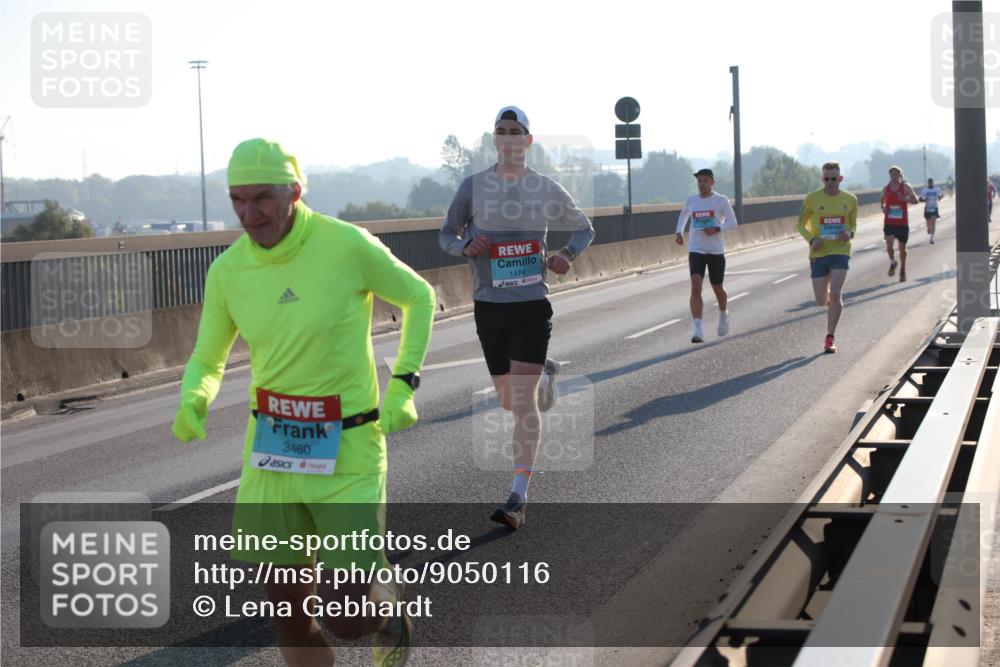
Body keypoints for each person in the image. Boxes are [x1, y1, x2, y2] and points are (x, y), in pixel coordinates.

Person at [172, 138, 436, 667]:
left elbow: (419, 296)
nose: (250, 214)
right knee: (288, 612)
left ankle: (386, 611)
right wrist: (194, 395)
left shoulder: (346, 245)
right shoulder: (227, 270)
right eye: (237, 200)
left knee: (347, 619)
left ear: (294, 189)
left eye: (262, 197)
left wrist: (403, 385)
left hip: (349, 450)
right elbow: (208, 354)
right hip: (271, 450)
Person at [439, 106, 594, 530]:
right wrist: (465, 247)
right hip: (489, 307)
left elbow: (584, 229)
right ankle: (544, 369)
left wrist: (565, 254)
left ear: (528, 141)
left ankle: (517, 497)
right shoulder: (473, 188)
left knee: (522, 403)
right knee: (510, 401)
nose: (508, 138)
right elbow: (446, 234)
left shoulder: (545, 188)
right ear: (495, 140)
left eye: (516, 132)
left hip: (531, 305)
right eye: (501, 131)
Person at [797, 162, 858, 354]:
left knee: (836, 293)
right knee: (821, 301)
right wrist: (812, 239)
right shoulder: (812, 199)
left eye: (834, 179)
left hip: (840, 250)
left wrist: (849, 233)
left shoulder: (851, 199)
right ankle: (831, 301)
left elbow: (853, 225)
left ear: (840, 179)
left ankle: (830, 337)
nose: (830, 182)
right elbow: (800, 225)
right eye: (826, 179)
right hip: (819, 253)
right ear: (822, 179)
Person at [674, 168, 738, 343]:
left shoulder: (721, 200)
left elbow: (733, 222)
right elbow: (684, 215)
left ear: (712, 182)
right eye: (699, 181)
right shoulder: (691, 200)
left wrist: (717, 228)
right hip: (696, 249)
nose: (701, 184)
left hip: (715, 250)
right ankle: (698, 328)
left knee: (717, 286)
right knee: (696, 286)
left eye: (705, 180)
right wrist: (678, 232)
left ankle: (723, 313)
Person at [880, 165, 919, 282]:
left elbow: (916, 200)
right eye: (891, 174)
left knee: (902, 248)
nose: (893, 176)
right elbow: (882, 201)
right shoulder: (886, 188)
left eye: (896, 174)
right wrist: (883, 208)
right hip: (889, 222)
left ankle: (902, 269)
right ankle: (893, 261)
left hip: (902, 223)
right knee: (889, 246)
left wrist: (906, 199)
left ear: (900, 175)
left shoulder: (906, 187)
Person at [919, 177, 945, 244]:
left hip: (934, 207)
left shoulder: (937, 189)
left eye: (931, 182)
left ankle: (931, 239)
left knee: (933, 223)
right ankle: (928, 228)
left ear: (933, 183)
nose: (930, 183)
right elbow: (920, 199)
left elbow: (942, 195)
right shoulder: (925, 190)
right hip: (927, 208)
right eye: (929, 182)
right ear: (928, 183)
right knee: (929, 226)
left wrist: (940, 197)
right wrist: (924, 199)